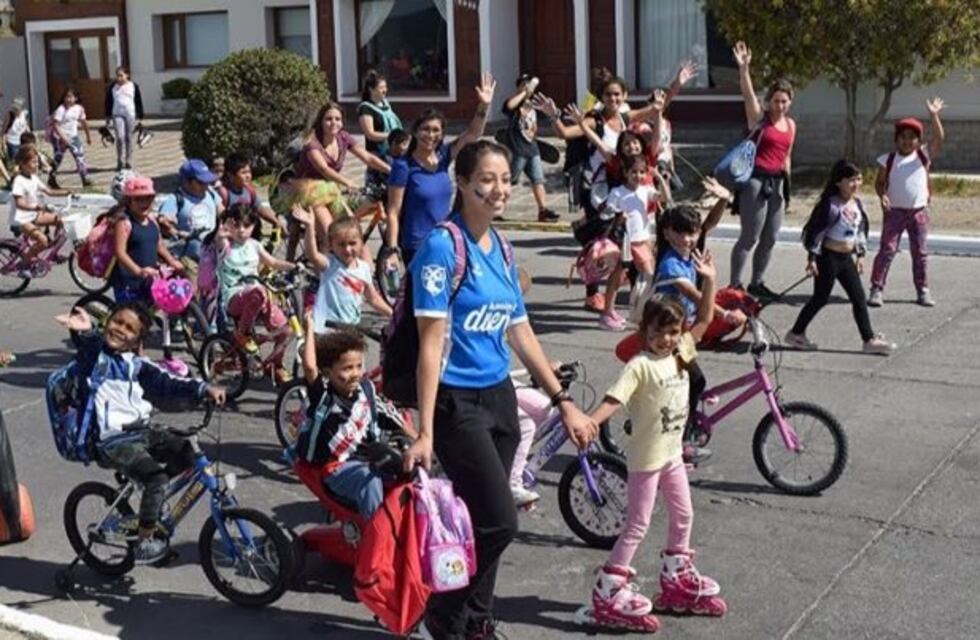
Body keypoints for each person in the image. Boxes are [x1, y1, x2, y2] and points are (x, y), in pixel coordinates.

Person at [405, 140, 597, 639]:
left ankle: (476, 623)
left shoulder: (503, 247)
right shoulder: (442, 247)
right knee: (499, 521)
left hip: (499, 398)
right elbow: (430, 346)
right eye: (487, 179)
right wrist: (424, 431)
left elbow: (521, 332)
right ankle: (444, 612)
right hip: (456, 402)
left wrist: (564, 403)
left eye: (506, 179)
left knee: (481, 520)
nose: (499, 188)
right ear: (463, 183)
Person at [583, 254, 727, 632]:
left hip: (671, 455)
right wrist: (590, 422)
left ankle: (676, 577)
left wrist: (709, 281)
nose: (666, 339)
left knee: (684, 515)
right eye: (658, 332)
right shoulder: (640, 365)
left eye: (673, 331)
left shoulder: (680, 354)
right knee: (638, 524)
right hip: (646, 460)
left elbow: (705, 321)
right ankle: (608, 589)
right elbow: (614, 399)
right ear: (644, 331)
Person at [56, 303, 226, 564]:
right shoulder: (95, 361)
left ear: (137, 340)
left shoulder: (137, 365)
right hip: (112, 441)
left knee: (187, 453)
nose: (120, 329)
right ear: (107, 322)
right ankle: (144, 542)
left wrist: (204, 389)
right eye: (117, 322)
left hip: (142, 432)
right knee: (156, 478)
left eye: (129, 328)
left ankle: (153, 499)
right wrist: (87, 332)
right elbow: (89, 349)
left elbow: (169, 382)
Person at [386, 72, 498, 267]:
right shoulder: (403, 166)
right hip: (418, 246)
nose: (431, 135)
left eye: (436, 130)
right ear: (415, 132)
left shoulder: (444, 157)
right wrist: (393, 250)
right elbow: (393, 212)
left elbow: (473, 134)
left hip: (446, 240)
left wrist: (484, 106)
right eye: (425, 129)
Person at [296, 320, 405, 518]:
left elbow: (393, 417)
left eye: (358, 366)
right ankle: (376, 530)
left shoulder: (366, 390)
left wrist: (421, 439)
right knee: (370, 480)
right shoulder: (324, 396)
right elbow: (310, 367)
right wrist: (309, 328)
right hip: (336, 467)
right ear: (328, 372)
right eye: (347, 368)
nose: (355, 374)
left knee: (407, 476)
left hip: (368, 458)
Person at [786, 160, 896, 355]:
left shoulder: (857, 204)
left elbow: (859, 231)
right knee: (820, 298)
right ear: (838, 182)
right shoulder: (831, 205)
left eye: (858, 179)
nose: (856, 184)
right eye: (851, 180)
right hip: (828, 259)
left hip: (846, 259)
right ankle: (796, 333)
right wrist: (812, 259)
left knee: (858, 298)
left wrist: (860, 255)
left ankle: (869, 340)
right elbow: (816, 234)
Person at [729, 41, 797, 299]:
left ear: (790, 101)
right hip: (755, 181)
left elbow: (787, 156)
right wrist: (744, 69)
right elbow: (748, 95)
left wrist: (788, 190)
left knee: (770, 237)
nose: (780, 105)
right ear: (769, 101)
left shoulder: (791, 125)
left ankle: (757, 283)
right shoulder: (759, 119)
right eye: (776, 101)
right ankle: (734, 286)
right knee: (750, 236)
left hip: (778, 182)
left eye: (784, 101)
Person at [868, 98, 946, 308]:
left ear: (918, 141)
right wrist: (882, 196)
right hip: (894, 212)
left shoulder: (923, 156)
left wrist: (934, 116)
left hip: (918, 213)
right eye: (903, 137)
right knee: (887, 250)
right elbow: (880, 183)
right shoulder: (888, 159)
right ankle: (876, 288)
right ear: (897, 139)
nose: (907, 141)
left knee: (920, 253)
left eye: (912, 137)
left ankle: (923, 290)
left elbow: (939, 139)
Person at [215, 204, 297, 384]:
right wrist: (222, 230)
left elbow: (273, 262)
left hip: (258, 299)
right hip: (235, 298)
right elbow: (219, 238)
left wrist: (295, 267)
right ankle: (242, 333)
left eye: (246, 226)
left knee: (287, 330)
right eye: (236, 225)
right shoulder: (226, 246)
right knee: (259, 291)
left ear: (254, 226)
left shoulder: (255, 245)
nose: (241, 230)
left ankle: (275, 365)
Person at [291, 101, 391, 243]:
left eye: (337, 119)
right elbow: (324, 169)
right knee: (330, 235)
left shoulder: (343, 137)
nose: (334, 123)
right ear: (320, 122)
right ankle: (322, 251)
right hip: (309, 193)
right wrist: (348, 182)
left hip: (330, 191)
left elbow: (368, 158)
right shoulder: (312, 143)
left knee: (350, 229)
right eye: (328, 119)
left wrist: (391, 170)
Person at [291, 206, 391, 333]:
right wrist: (310, 227)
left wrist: (393, 315)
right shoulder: (330, 264)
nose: (347, 249)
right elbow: (313, 254)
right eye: (341, 245)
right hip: (326, 329)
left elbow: (373, 299)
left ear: (361, 242)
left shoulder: (363, 268)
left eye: (352, 243)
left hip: (350, 328)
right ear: (331, 245)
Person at [598, 154, 662, 331]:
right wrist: (619, 216)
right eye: (634, 172)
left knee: (649, 277)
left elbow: (664, 197)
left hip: (643, 240)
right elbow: (606, 214)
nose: (638, 176)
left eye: (642, 172)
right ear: (625, 172)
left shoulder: (646, 190)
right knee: (617, 277)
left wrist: (659, 177)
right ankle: (608, 312)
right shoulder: (617, 192)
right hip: (624, 241)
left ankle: (645, 314)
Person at [501, 74, 559, 222]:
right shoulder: (515, 104)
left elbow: (549, 115)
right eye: (523, 84)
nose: (527, 87)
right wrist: (523, 93)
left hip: (532, 148)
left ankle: (543, 210)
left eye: (529, 84)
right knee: (509, 180)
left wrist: (553, 112)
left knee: (538, 179)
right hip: (517, 149)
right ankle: (496, 207)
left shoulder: (533, 104)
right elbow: (508, 106)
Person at [7, 146, 72, 265]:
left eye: (37, 162)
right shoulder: (19, 181)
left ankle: (54, 253)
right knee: (43, 241)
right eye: (33, 162)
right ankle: (25, 262)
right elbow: (19, 203)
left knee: (60, 221)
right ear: (23, 164)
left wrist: (67, 192)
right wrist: (35, 207)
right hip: (21, 219)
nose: (37, 165)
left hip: (34, 215)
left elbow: (49, 192)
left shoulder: (34, 178)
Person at [157, 159, 224, 263]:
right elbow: (164, 223)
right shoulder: (175, 200)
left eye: (207, 181)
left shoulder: (210, 193)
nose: (206, 185)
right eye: (201, 182)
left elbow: (222, 212)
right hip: (189, 258)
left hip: (213, 252)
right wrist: (174, 231)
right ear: (187, 182)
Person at [218, 152, 287, 239]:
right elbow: (220, 219)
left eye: (249, 172)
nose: (248, 176)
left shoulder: (249, 190)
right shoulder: (223, 193)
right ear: (230, 175)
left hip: (249, 236)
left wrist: (276, 221)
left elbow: (260, 208)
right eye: (243, 172)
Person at [357, 71, 403, 190]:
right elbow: (370, 134)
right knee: (380, 189)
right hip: (378, 154)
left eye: (385, 87)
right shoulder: (365, 108)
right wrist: (391, 135)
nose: (385, 90)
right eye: (381, 87)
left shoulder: (385, 104)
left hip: (393, 151)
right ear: (371, 89)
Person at [48, 87, 92, 189]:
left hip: (73, 137)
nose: (69, 99)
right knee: (58, 159)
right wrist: (63, 138)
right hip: (60, 138)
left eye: (71, 97)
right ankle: (51, 178)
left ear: (76, 98)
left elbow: (84, 123)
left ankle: (85, 178)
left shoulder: (79, 109)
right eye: (67, 97)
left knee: (79, 157)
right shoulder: (61, 109)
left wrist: (88, 136)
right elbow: (56, 125)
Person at [104, 66, 144, 171]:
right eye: (117, 76)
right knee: (120, 137)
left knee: (129, 137)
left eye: (121, 76)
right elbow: (108, 102)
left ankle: (128, 160)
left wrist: (140, 116)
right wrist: (107, 116)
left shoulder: (133, 86)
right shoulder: (113, 87)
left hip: (130, 114)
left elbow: (138, 101)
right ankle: (120, 160)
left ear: (127, 75)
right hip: (117, 114)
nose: (119, 78)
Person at [3, 97, 29, 161]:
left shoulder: (24, 114)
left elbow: (25, 125)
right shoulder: (9, 115)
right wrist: (3, 142)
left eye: (17, 109)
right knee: (15, 160)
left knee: (24, 160)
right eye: (14, 109)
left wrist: (29, 135)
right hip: (12, 142)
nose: (15, 111)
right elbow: (4, 129)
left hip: (22, 141)